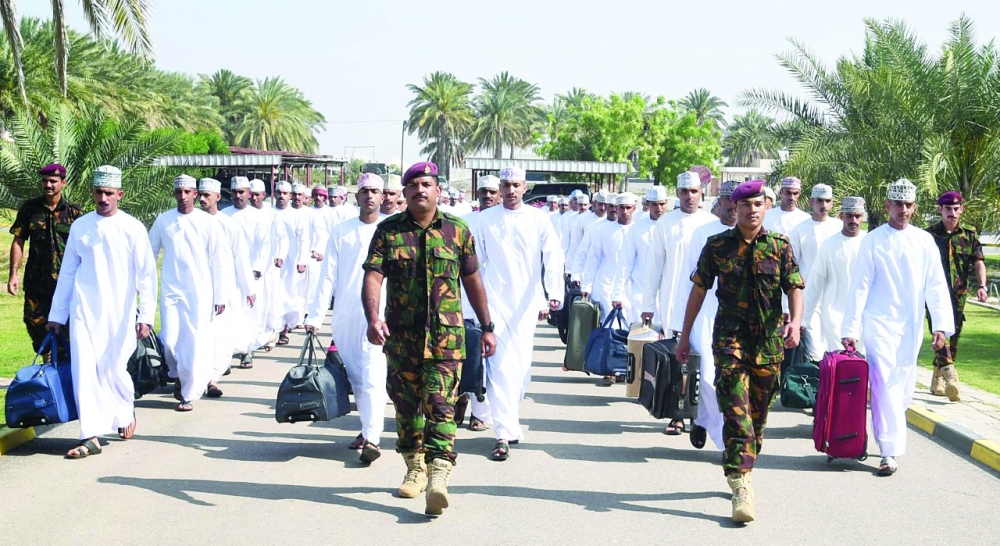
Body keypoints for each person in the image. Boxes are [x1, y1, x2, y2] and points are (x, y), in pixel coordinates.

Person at [362, 161, 497, 516]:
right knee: (407, 409)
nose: (420, 190)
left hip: (445, 339)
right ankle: (414, 466)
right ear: (404, 193)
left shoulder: (457, 230)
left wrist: (487, 326)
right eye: (413, 185)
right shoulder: (388, 232)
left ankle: (439, 476)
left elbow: (472, 280)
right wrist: (372, 317)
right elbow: (374, 276)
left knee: (441, 406)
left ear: (437, 189)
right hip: (402, 338)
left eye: (427, 184)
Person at [676, 179, 805, 523]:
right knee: (736, 414)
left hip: (768, 344)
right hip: (729, 341)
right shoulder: (717, 246)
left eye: (757, 204)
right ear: (735, 209)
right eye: (744, 205)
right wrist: (684, 336)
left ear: (765, 207)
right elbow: (698, 291)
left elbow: (794, 286)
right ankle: (741, 484)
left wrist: (795, 322)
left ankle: (745, 464)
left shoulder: (779, 245)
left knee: (757, 418)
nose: (751, 210)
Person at [841, 178, 954, 477]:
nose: (902, 210)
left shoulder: (924, 241)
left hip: (911, 324)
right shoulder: (873, 240)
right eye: (897, 204)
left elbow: (936, 285)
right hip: (878, 323)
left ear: (914, 208)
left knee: (902, 386)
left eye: (907, 205)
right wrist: (850, 329)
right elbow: (859, 287)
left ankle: (890, 434)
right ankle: (889, 451)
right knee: (883, 382)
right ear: (887, 206)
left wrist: (940, 325)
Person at [47, 165, 157, 458]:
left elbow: (146, 275)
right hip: (83, 310)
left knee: (114, 367)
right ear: (92, 193)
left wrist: (145, 315)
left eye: (109, 193)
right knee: (84, 369)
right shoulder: (81, 226)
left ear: (120, 194)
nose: (103, 198)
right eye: (99, 192)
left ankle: (123, 411)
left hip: (120, 313)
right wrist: (57, 316)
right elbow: (68, 272)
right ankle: (90, 436)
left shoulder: (133, 228)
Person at [471, 166, 563, 461]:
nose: (510, 190)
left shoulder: (539, 219)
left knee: (521, 372)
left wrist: (554, 293)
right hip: (494, 304)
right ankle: (502, 433)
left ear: (525, 188)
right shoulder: (485, 220)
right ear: (499, 188)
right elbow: (474, 267)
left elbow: (552, 257)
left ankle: (509, 420)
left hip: (526, 305)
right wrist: (474, 307)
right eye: (505, 185)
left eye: (515, 185)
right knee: (499, 368)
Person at [306, 174, 390, 464]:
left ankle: (373, 437)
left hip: (379, 317)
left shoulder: (390, 230)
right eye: (364, 191)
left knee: (373, 374)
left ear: (382, 196)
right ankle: (367, 430)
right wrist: (315, 316)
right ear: (357, 196)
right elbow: (326, 276)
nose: (369, 196)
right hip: (345, 316)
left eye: (375, 191)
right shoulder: (341, 231)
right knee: (356, 378)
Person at [642, 171, 716, 439]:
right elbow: (654, 266)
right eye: (684, 192)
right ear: (677, 193)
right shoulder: (666, 224)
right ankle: (677, 414)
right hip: (674, 304)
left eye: (693, 192)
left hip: (706, 307)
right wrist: (648, 304)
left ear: (701, 193)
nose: (689, 197)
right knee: (678, 363)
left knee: (705, 366)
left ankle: (700, 417)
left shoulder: (713, 223)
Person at [667, 180, 740, 452]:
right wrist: (679, 325)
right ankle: (713, 428)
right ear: (718, 202)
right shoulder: (703, 233)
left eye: (738, 203)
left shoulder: (752, 233)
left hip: (739, 318)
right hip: (705, 313)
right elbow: (688, 281)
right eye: (727, 202)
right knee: (709, 376)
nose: (732, 208)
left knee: (734, 382)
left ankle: (717, 431)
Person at [148, 174, 227, 412]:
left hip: (200, 292)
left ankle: (188, 394)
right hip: (171, 290)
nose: (182, 197)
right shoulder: (164, 221)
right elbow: (149, 253)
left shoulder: (208, 223)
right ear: (174, 194)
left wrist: (220, 295)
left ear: (195, 193)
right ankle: (179, 374)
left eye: (187, 192)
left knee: (194, 341)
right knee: (170, 341)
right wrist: (144, 284)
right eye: (178, 192)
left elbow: (219, 261)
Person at [9, 163, 83, 359]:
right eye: (45, 181)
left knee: (68, 325)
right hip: (37, 281)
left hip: (66, 283)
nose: (48, 184)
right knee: (33, 321)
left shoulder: (74, 213)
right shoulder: (30, 210)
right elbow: (18, 241)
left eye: (53, 181)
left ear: (63, 183)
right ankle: (46, 356)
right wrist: (13, 274)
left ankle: (62, 367)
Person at [925, 191, 988, 401]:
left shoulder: (969, 234)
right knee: (938, 332)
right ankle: (951, 376)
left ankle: (937, 378)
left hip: (958, 295)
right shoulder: (929, 236)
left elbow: (979, 261)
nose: (952, 213)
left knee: (954, 337)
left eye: (956, 209)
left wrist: (982, 286)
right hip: (933, 294)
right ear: (939, 209)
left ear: (961, 209)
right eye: (948, 209)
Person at [199, 178, 256, 396]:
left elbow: (239, 258)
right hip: (195, 288)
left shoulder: (228, 224)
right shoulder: (190, 221)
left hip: (224, 288)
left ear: (217, 197)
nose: (203, 199)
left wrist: (249, 288)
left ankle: (213, 377)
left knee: (221, 334)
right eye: (200, 195)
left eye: (207, 195)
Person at [455, 174, 501, 433]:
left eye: (492, 191)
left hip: (498, 300)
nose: (487, 196)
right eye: (483, 191)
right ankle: (460, 397)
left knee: (489, 359)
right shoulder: (464, 222)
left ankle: (481, 412)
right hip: (466, 298)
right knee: (466, 354)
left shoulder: (507, 223)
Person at [802, 196, 868, 355]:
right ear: (841, 216)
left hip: (866, 316)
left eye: (857, 216)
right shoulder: (829, 245)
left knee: (864, 366)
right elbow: (815, 283)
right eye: (849, 216)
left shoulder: (869, 242)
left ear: (863, 217)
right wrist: (803, 319)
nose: (853, 220)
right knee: (840, 366)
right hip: (834, 315)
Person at [788, 184, 843, 361]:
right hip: (809, 297)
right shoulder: (799, 230)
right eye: (820, 200)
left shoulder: (840, 227)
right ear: (811, 202)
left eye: (827, 201)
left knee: (837, 346)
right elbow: (791, 267)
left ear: (833, 203)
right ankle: (817, 387)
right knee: (815, 351)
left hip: (837, 296)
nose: (824, 205)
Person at [222, 177, 270, 365]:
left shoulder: (257, 216)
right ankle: (226, 353)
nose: (238, 195)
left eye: (242, 192)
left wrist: (257, 268)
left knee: (250, 313)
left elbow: (265, 245)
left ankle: (247, 350)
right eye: (235, 192)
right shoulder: (224, 215)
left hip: (251, 272)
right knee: (229, 313)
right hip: (228, 273)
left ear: (249, 194)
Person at [615, 186, 669, 325]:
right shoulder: (637, 229)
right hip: (641, 291)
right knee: (641, 338)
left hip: (669, 293)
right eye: (654, 204)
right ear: (647, 205)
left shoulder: (673, 227)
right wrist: (617, 293)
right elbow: (625, 263)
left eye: (662, 204)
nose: (659, 208)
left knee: (667, 340)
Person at [272, 181, 310, 345]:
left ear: (289, 196)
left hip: (291, 263)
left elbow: (304, 239)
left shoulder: (296, 216)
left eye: (285, 193)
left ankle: (284, 330)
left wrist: (302, 260)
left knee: (288, 295)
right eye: (278, 192)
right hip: (271, 263)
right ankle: (272, 331)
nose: (281, 196)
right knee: (272, 295)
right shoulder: (269, 213)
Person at [249, 179, 283, 350]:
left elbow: (281, 237)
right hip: (248, 266)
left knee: (270, 301)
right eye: (251, 194)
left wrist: (279, 256)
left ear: (264, 195)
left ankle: (271, 335)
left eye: (257, 195)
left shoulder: (272, 213)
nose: (254, 198)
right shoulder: (243, 214)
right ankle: (252, 338)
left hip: (269, 267)